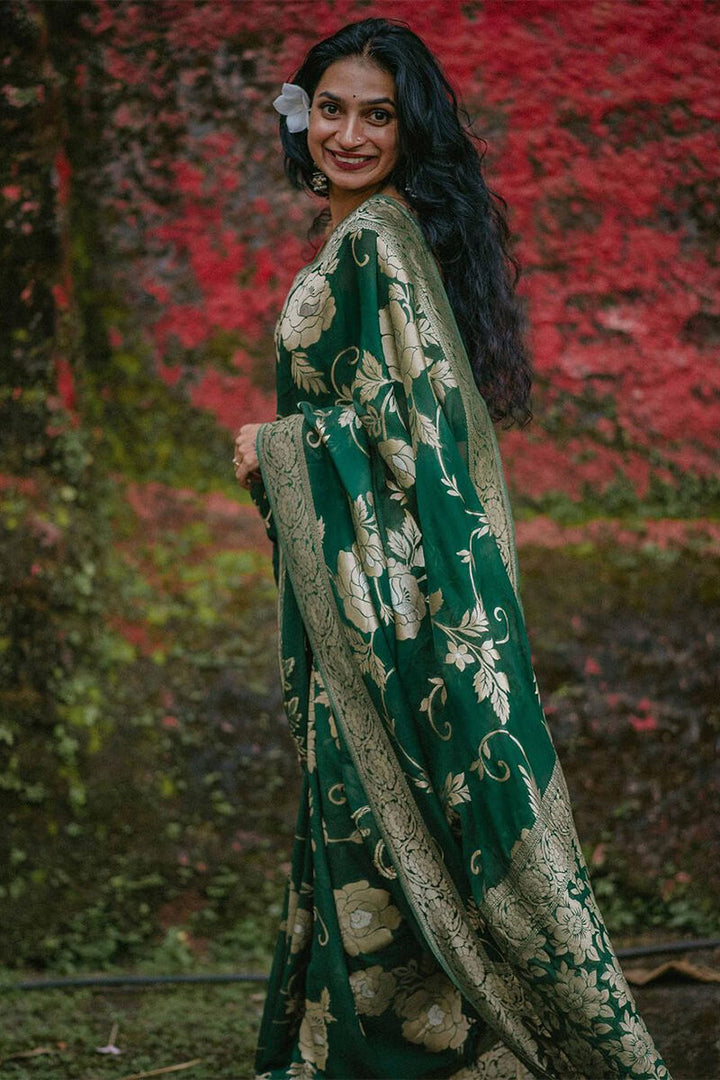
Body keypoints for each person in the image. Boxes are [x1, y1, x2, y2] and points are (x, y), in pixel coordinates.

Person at [234, 18, 670, 1080]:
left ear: (409, 128)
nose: (346, 132)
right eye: (329, 108)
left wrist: (277, 448)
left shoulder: (378, 243)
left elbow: (419, 436)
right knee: (368, 820)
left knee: (381, 823)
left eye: (375, 114)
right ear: (302, 114)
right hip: (363, 602)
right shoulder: (362, 236)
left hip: (395, 611)